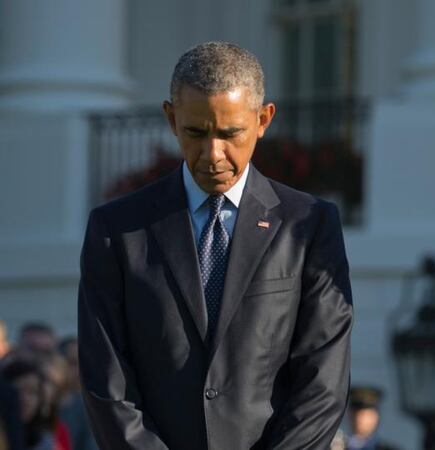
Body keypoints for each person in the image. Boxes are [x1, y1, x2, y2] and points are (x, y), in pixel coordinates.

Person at [78, 41, 353, 450]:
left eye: (231, 133)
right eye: (195, 132)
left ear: (263, 119)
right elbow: (108, 383)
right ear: (171, 119)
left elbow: (322, 383)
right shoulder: (115, 230)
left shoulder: (310, 225)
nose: (213, 154)